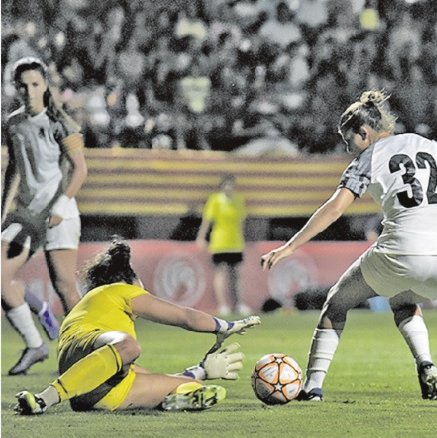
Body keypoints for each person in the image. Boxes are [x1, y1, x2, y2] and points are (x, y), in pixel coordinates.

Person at [261, 90, 437, 401]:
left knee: (336, 303)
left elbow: (335, 209)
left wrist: (290, 247)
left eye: (350, 142)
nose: (350, 150)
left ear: (364, 132)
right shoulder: (428, 144)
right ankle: (426, 363)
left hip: (405, 248)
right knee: (403, 301)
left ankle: (312, 387)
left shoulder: (368, 158)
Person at [14, 238, 260, 415]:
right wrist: (225, 325)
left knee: (189, 385)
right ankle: (44, 399)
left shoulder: (88, 311)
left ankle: (176, 400)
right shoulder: (120, 290)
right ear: (129, 280)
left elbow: (126, 370)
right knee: (128, 346)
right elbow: (185, 316)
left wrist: (202, 370)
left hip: (91, 391)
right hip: (89, 362)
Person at [2, 57, 88, 375]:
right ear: (15, 87)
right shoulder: (13, 123)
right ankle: (36, 344)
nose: (29, 91)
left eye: (35, 84)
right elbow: (14, 168)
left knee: (65, 287)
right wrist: (3, 212)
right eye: (22, 85)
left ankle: (90, 352)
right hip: (26, 214)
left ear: (45, 86)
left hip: (58, 214)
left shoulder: (60, 123)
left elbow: (80, 170)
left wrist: (62, 205)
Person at [196, 174, 249, 316]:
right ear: (222, 186)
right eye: (227, 185)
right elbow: (207, 220)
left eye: (231, 185)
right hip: (220, 242)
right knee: (221, 273)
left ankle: (239, 304)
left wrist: (244, 239)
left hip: (236, 242)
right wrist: (201, 237)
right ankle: (223, 305)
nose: (229, 188)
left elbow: (241, 221)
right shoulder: (215, 200)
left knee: (236, 274)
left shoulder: (238, 200)